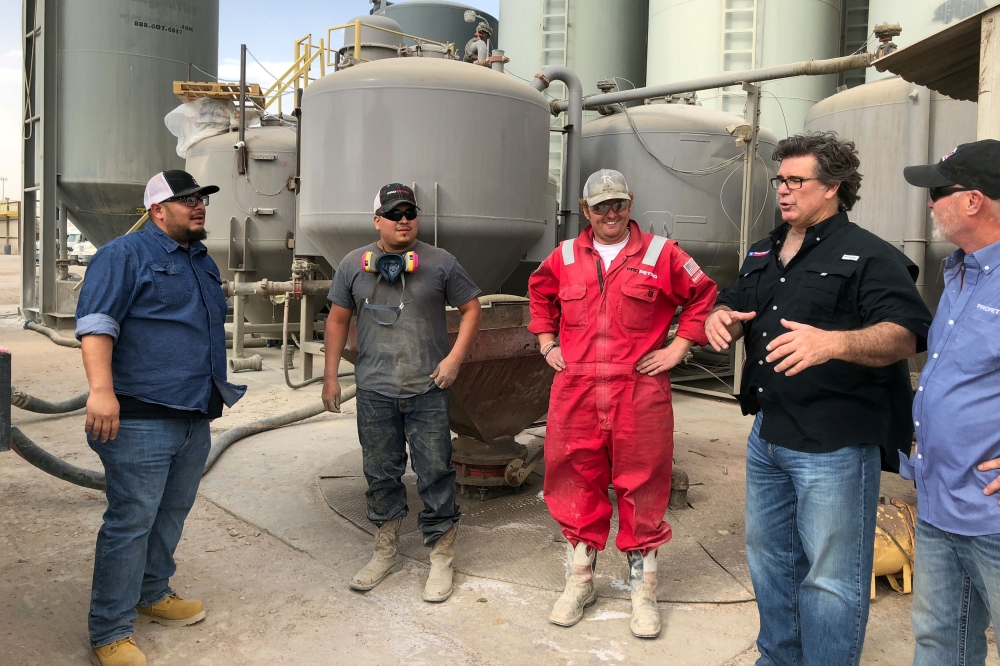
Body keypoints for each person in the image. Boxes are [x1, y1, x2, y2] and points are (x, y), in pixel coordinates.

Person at [706, 132, 932, 666]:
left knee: (832, 576)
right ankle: (778, 658)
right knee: (771, 560)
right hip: (769, 433)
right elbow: (734, 304)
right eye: (779, 180)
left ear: (832, 187)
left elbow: (907, 333)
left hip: (834, 444)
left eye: (796, 181)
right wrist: (721, 318)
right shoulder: (764, 249)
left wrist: (833, 343)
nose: (783, 190)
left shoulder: (871, 256)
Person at [528, 169, 718, 639]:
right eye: (600, 207)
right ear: (585, 209)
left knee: (644, 483)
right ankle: (580, 581)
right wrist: (547, 343)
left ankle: (643, 591)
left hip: (639, 391)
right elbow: (539, 293)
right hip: (576, 391)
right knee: (574, 478)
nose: (610, 214)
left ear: (630, 204)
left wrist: (678, 348)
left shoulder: (661, 253)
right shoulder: (564, 255)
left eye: (619, 204)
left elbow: (703, 294)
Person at [76, 170, 246, 666]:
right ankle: (109, 631)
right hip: (140, 417)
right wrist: (101, 391)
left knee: (171, 512)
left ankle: (152, 591)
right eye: (186, 200)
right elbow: (97, 324)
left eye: (201, 199)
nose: (199, 206)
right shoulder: (123, 255)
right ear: (157, 210)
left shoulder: (200, 258)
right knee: (131, 522)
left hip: (194, 412)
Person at [322, 183, 482, 603]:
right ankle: (385, 550)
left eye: (410, 213)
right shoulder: (352, 264)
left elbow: (472, 309)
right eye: (394, 214)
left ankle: (441, 556)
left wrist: (454, 359)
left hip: (427, 388)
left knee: (435, 472)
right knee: (380, 473)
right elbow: (337, 320)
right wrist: (330, 376)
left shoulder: (441, 262)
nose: (404, 220)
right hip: (375, 390)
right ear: (377, 220)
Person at [901, 140, 1000, 666]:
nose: (929, 203)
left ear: (973, 200)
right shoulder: (958, 271)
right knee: (940, 640)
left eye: (938, 192)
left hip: (992, 513)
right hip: (940, 499)